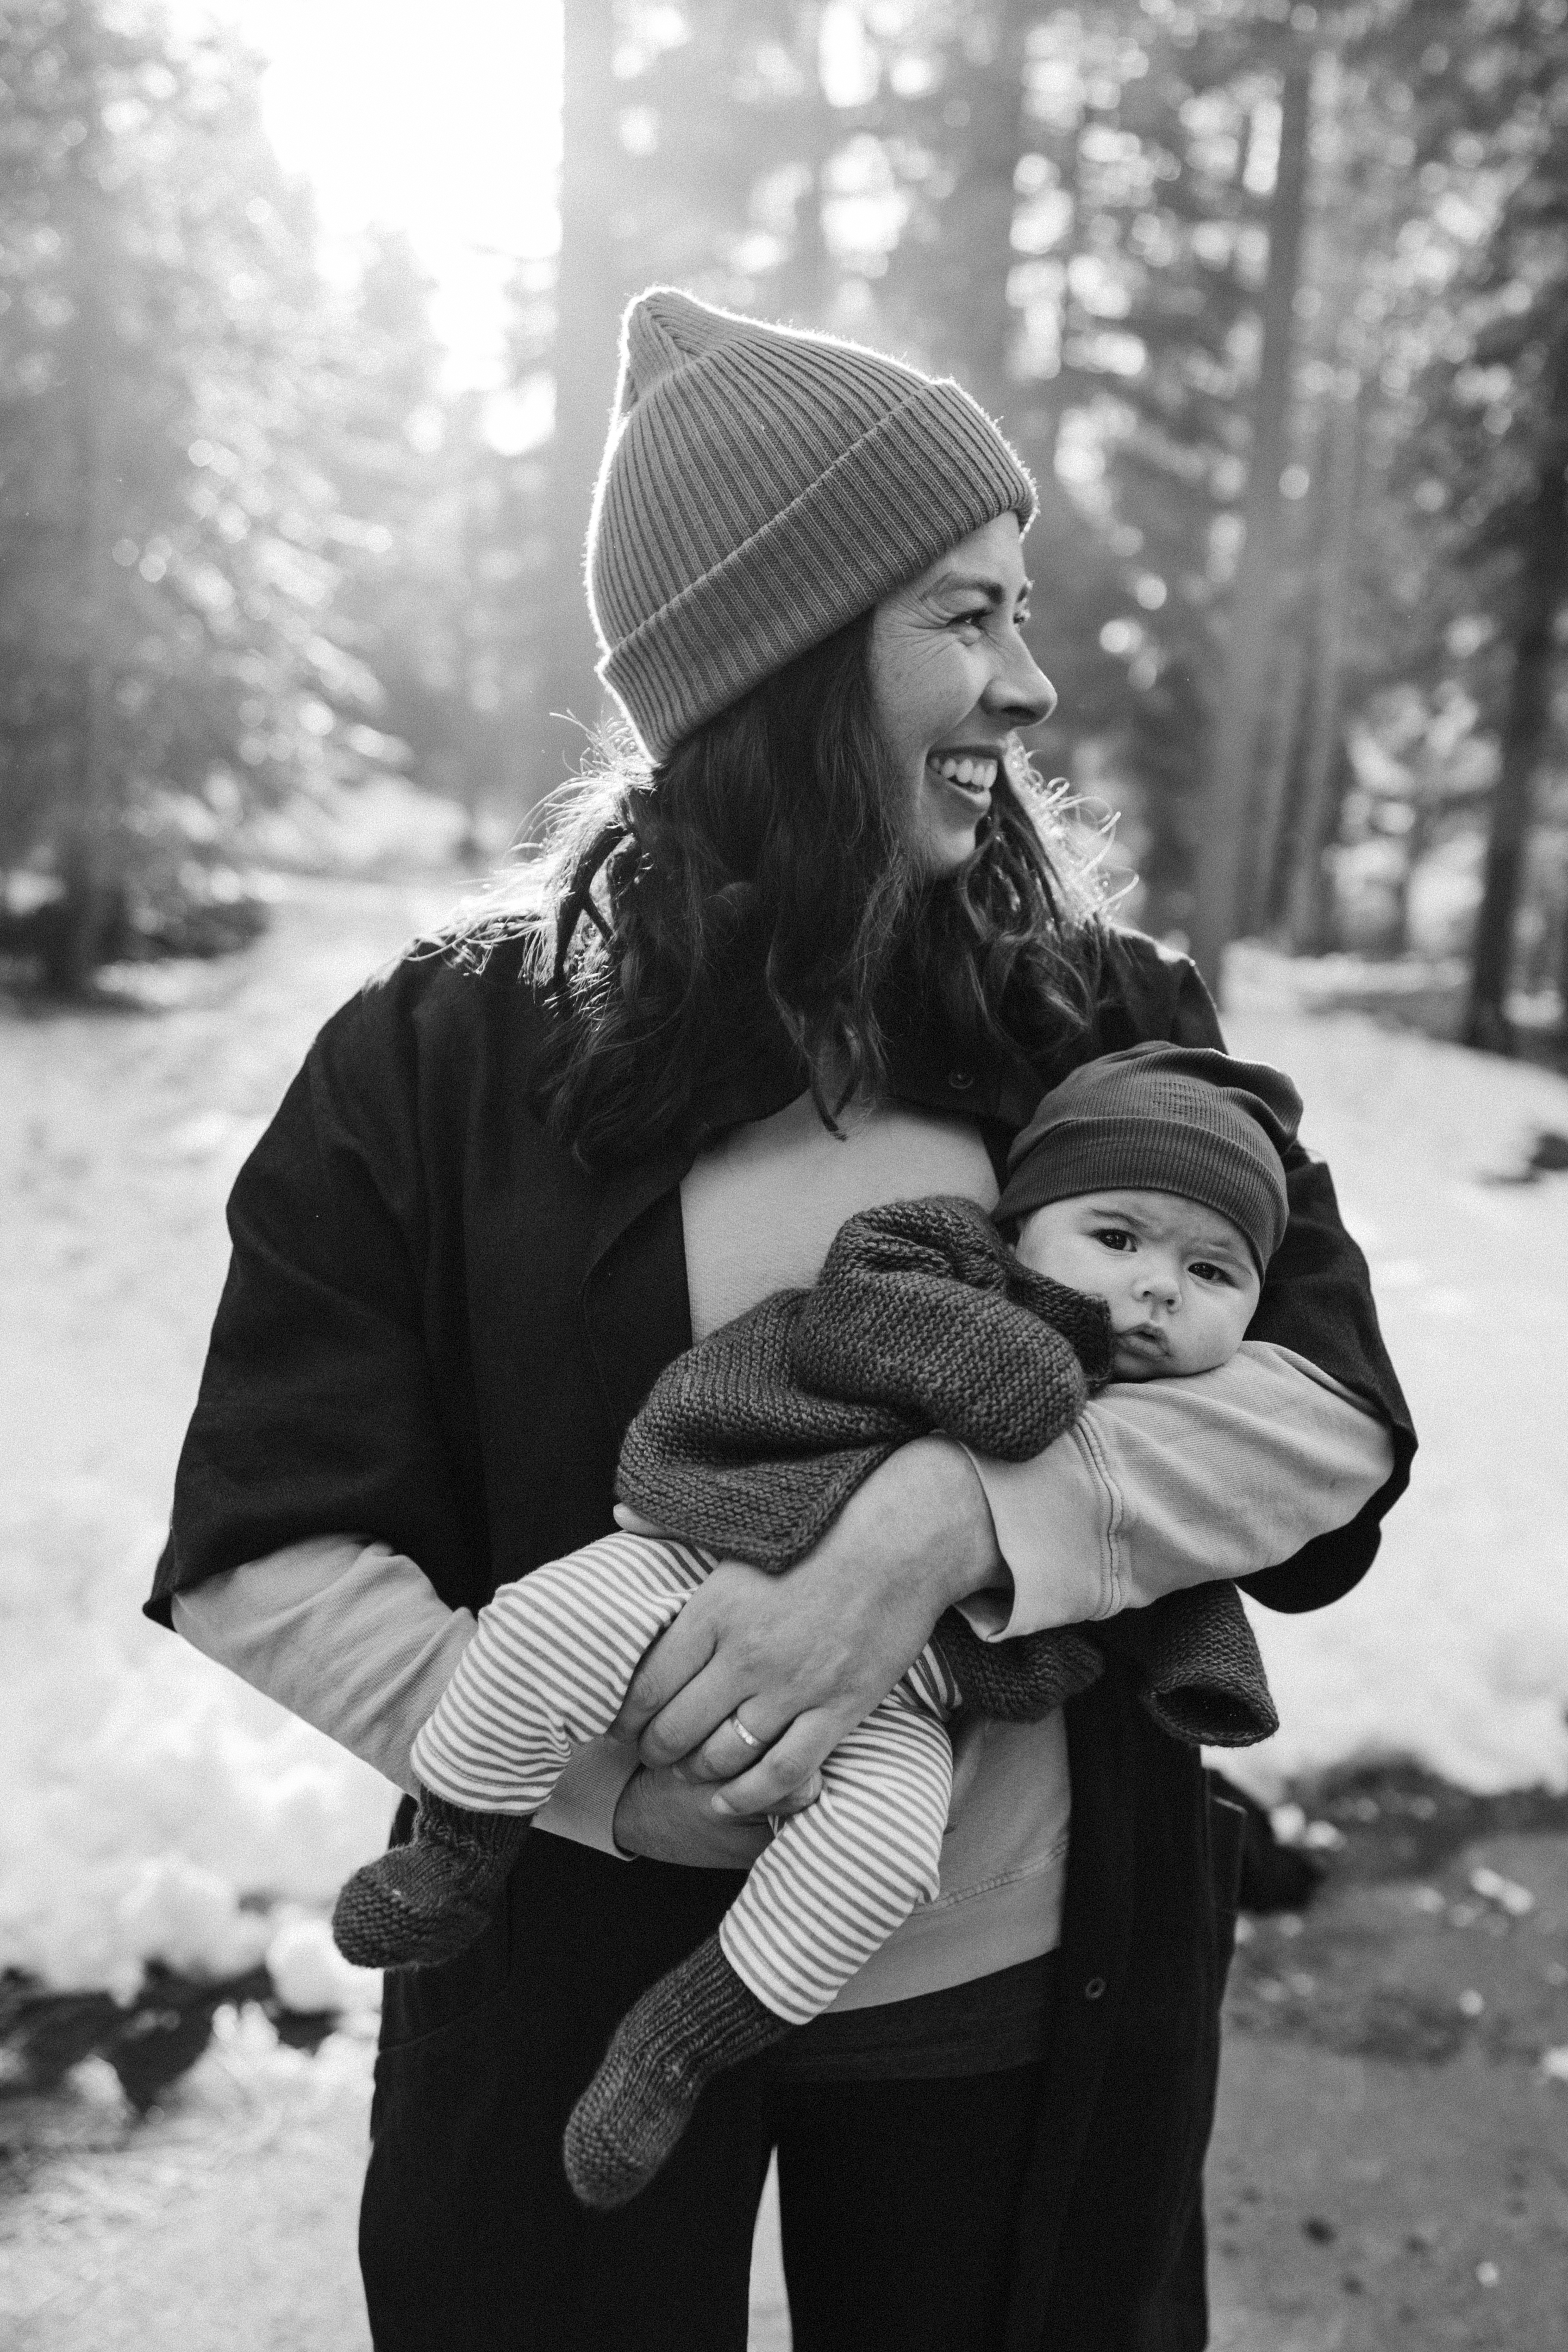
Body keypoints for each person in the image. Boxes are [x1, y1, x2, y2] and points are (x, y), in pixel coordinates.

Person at [150, 288, 1414, 2352]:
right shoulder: (439, 1056)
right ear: (785, 654)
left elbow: (1329, 1407)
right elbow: (263, 1543)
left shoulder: (1103, 1019)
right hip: (571, 1995)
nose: (1032, 678)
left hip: (1011, 2007)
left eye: (1017, 613)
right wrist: (591, 1786)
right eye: (966, 616)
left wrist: (947, 1522)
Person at [331, 1044, 1299, 2218]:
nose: (1156, 1287)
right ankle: (459, 1847)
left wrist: (1203, 1669)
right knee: (540, 1627)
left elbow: (1175, 1582)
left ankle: (676, 2044)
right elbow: (856, 1322)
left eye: (1211, 1270)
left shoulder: (1171, 1423)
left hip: (909, 1695)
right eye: (1116, 1237)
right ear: (1022, 1219)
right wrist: (1037, 1364)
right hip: (712, 1542)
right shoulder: (937, 1256)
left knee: (885, 1855)